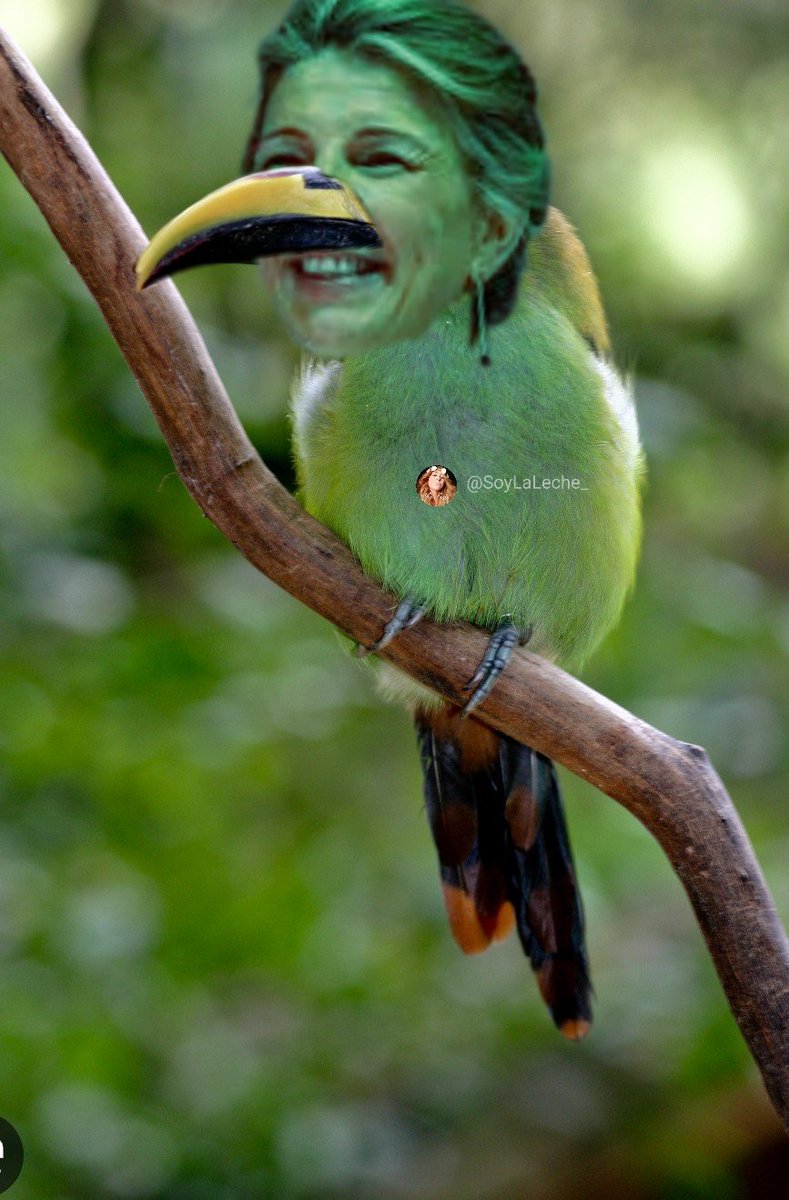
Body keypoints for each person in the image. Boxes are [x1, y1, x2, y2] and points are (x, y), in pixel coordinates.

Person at [145, 0, 643, 1038]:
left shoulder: (572, 370)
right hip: (413, 641)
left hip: (528, 658)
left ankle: (549, 966)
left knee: (515, 775)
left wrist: (523, 656)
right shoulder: (354, 358)